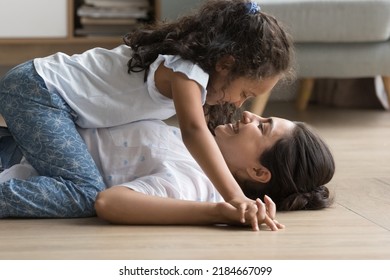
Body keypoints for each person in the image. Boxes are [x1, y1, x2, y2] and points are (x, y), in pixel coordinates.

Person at [0, 0, 293, 223]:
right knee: (84, 194)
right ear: (225, 65)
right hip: (40, 92)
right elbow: (194, 131)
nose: (239, 105)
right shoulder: (187, 72)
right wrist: (235, 198)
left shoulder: (197, 77)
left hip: (44, 94)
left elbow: (203, 142)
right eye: (244, 93)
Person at [0, 111, 335, 231]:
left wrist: (219, 212)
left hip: (16, 161)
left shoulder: (194, 182)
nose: (249, 115)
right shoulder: (200, 149)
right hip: (25, 136)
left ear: (259, 172)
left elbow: (110, 202)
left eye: (262, 128)